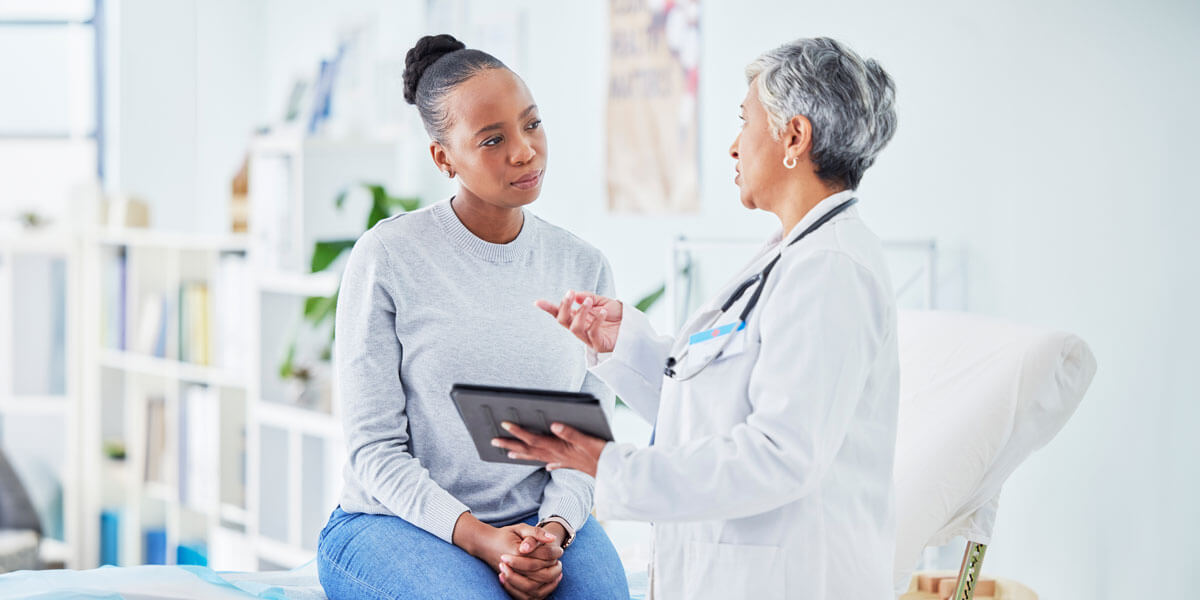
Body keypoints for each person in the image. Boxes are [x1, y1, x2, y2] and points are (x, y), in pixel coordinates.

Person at [494, 37, 901, 599]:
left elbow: (781, 456)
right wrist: (626, 346)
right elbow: (714, 412)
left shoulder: (830, 269)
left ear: (794, 137)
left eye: (745, 121)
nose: (734, 146)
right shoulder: (791, 256)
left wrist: (611, 466)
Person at [316, 34, 628, 600]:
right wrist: (482, 538)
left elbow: (584, 442)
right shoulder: (389, 256)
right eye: (492, 139)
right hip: (393, 523)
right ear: (444, 157)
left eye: (531, 125)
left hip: (541, 520)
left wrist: (552, 531)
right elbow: (374, 451)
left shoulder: (584, 265)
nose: (524, 151)